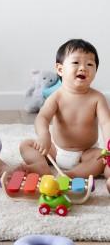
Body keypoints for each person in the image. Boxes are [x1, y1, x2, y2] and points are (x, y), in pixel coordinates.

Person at [19, 39, 110, 188]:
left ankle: (72, 175)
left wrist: (108, 146)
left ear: (95, 71)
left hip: (85, 153)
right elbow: (42, 117)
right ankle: (41, 165)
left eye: (89, 64)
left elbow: (106, 122)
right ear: (60, 69)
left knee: (100, 159)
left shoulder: (97, 98)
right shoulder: (57, 96)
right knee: (26, 145)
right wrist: (44, 136)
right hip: (55, 149)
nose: (83, 68)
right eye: (75, 63)